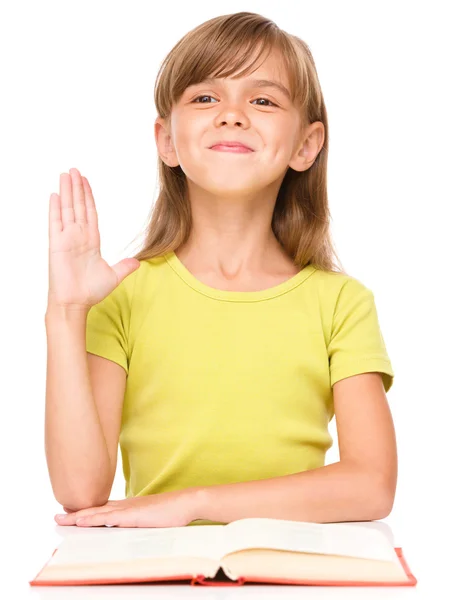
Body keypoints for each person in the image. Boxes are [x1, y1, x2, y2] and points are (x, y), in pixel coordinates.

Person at [45, 11, 397, 529]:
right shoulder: (121, 296)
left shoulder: (342, 304)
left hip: (292, 571)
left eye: (263, 100)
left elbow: (371, 485)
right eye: (206, 97)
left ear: (306, 144)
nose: (232, 114)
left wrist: (195, 504)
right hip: (154, 572)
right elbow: (81, 492)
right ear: (167, 140)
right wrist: (66, 313)